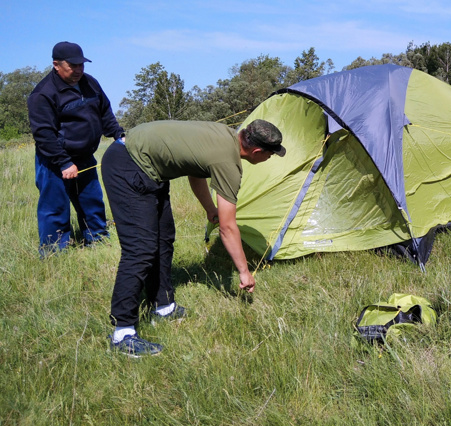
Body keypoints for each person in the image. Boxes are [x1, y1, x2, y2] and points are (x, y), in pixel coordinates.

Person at [102, 119, 286, 357]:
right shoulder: (228, 162)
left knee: (163, 238)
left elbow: (195, 171)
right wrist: (244, 271)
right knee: (140, 249)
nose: (270, 159)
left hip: (147, 167)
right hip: (128, 162)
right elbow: (228, 228)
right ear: (257, 151)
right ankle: (123, 333)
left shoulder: (225, 136)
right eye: (271, 155)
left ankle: (163, 305)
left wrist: (210, 209)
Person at [27, 42, 125, 255]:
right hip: (54, 162)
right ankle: (54, 252)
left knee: (92, 201)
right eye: (73, 66)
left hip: (84, 157)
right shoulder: (43, 94)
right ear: (56, 64)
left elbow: (105, 112)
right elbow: (44, 135)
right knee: (55, 207)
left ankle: (98, 242)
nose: (79, 70)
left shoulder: (90, 83)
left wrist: (118, 135)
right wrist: (63, 162)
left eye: (82, 65)